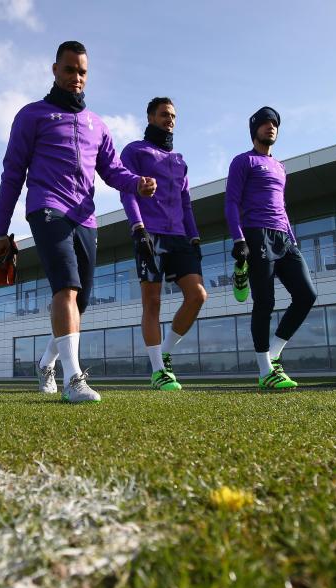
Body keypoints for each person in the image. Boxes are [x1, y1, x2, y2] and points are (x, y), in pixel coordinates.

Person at [0, 40, 157, 403]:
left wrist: (137, 183)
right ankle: (73, 380)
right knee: (65, 288)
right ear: (54, 70)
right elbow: (12, 174)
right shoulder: (31, 115)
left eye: (82, 72)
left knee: (78, 303)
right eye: (69, 70)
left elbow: (113, 171)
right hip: (46, 207)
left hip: (86, 217)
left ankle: (46, 364)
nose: (76, 77)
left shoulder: (97, 124)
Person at [225, 107, 317, 390]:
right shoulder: (243, 161)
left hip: (284, 238)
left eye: (274, 124)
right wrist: (239, 240)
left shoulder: (281, 167)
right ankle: (265, 371)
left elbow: (282, 206)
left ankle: (274, 354)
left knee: (306, 295)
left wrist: (292, 237)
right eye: (265, 124)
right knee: (265, 302)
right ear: (255, 130)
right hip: (256, 235)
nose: (271, 127)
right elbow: (231, 203)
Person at [120, 97, 207, 391]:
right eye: (163, 114)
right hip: (150, 233)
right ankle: (158, 370)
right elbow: (127, 191)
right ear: (150, 117)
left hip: (180, 236)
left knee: (197, 296)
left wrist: (194, 236)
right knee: (152, 302)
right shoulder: (135, 151)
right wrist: (138, 228)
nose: (169, 119)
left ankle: (165, 352)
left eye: (172, 115)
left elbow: (186, 202)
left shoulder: (180, 160)